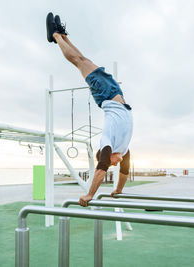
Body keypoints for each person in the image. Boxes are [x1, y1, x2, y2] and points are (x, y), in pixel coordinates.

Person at [46, 12, 133, 207]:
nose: (115, 164)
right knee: (83, 59)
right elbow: (125, 172)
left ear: (105, 154)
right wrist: (118, 190)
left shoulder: (107, 143)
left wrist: (89, 195)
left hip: (105, 95)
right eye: (114, 165)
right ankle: (61, 35)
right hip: (116, 93)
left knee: (79, 62)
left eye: (112, 163)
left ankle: (55, 36)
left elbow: (100, 170)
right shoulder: (124, 149)